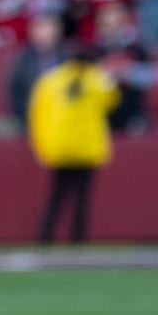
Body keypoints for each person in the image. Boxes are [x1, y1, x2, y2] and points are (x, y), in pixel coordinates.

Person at [29, 43, 119, 244]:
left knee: (57, 196)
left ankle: (46, 237)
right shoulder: (96, 79)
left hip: (61, 147)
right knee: (80, 198)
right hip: (86, 148)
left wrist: (42, 145)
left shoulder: (51, 80)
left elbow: (37, 113)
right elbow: (112, 100)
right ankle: (77, 239)